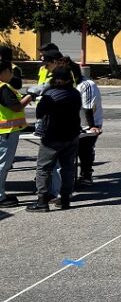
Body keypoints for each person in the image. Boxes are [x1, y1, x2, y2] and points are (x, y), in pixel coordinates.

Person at [26, 66, 82, 212]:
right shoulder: (75, 93)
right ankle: (65, 199)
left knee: (44, 168)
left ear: (56, 80)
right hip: (71, 135)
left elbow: (39, 113)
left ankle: (42, 201)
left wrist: (41, 93)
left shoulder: (51, 95)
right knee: (68, 168)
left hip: (52, 136)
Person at [0, 60, 34, 208]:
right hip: (6, 131)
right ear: (4, 72)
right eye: (11, 72)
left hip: (6, 131)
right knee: (3, 165)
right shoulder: (3, 88)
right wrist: (31, 95)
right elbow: (16, 107)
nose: (12, 75)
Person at [76, 72, 103, 187]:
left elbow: (88, 107)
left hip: (89, 122)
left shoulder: (86, 85)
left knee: (85, 149)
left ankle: (86, 174)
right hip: (73, 122)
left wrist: (92, 126)